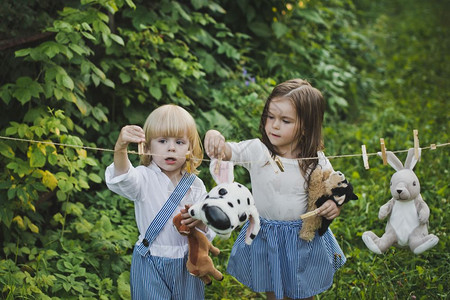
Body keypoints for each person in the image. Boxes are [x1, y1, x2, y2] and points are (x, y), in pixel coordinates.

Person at [204, 79, 346, 300]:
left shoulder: (314, 160)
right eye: (270, 117)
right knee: (275, 291)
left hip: (302, 236)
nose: (275, 125)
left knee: (303, 290)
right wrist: (213, 136)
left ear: (306, 126)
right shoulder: (258, 151)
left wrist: (333, 205)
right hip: (267, 235)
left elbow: (334, 188)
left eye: (285, 120)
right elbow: (225, 151)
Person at [105, 104, 214, 300]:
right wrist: (121, 147)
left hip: (186, 262)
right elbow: (123, 176)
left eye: (180, 142)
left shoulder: (196, 185)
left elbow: (209, 229)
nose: (171, 147)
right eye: (163, 141)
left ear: (190, 149)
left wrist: (201, 221)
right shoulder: (143, 178)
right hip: (150, 261)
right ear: (146, 147)